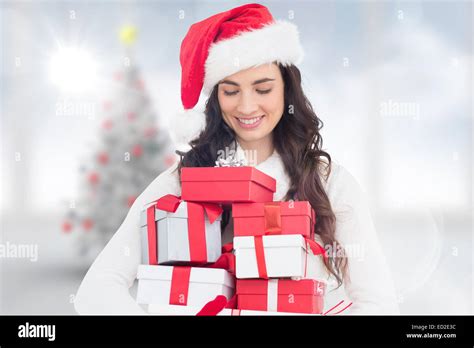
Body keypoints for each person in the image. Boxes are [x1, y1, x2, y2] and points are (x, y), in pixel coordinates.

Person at [74, 3, 399, 315]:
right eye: (231, 91)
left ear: (287, 89)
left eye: (262, 89)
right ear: (215, 98)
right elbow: (97, 290)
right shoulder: (183, 180)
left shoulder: (328, 182)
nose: (246, 107)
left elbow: (378, 304)